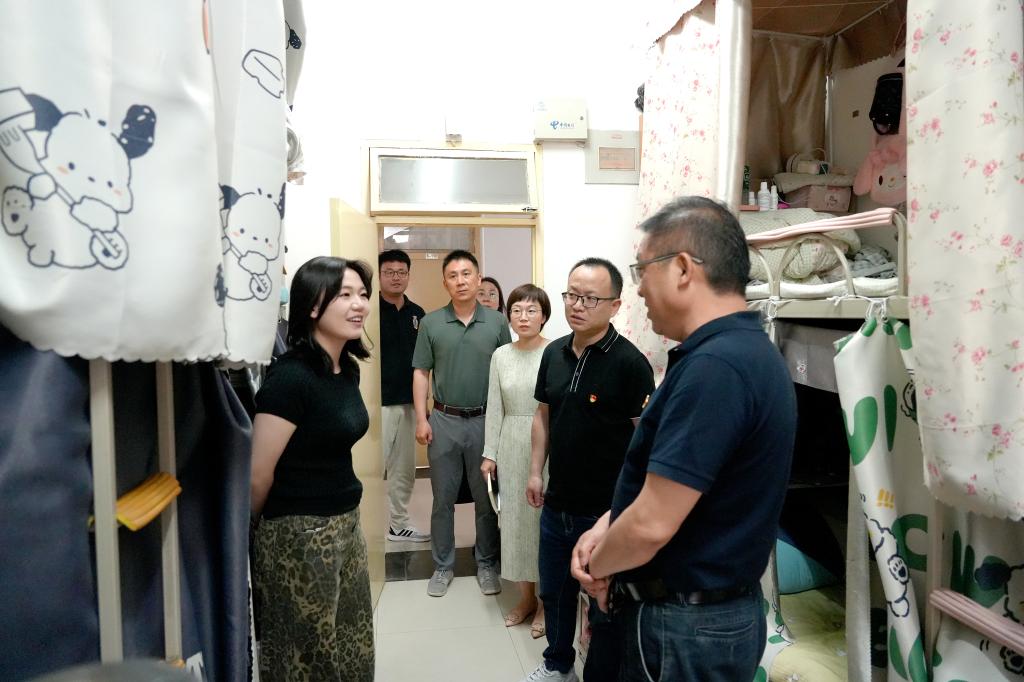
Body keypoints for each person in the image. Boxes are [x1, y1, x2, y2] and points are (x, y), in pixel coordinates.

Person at [571, 196, 797, 681]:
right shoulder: (735, 353)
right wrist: (607, 525)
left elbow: (652, 524)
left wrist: (599, 569)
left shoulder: (717, 368)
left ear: (681, 269)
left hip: (684, 627)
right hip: (693, 619)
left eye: (641, 270)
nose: (638, 289)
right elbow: (676, 484)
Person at [521, 258, 654, 682]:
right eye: (572, 295)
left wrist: (627, 507)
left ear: (615, 305)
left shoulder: (630, 363)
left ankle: (601, 672)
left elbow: (644, 441)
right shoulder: (553, 353)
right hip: (557, 501)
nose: (577, 305)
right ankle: (557, 663)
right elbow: (543, 415)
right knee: (554, 591)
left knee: (603, 602)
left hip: (604, 512)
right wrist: (535, 472)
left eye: (590, 298)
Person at [250, 256, 376, 682]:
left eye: (362, 294)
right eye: (345, 295)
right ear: (312, 307)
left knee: (353, 639)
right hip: (298, 533)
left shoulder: (346, 370)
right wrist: (259, 531)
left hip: (345, 522)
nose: (359, 304)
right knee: (307, 653)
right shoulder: (291, 378)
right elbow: (258, 474)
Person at [412, 249, 512, 597]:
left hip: (486, 421)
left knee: (486, 499)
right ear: (445, 283)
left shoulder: (497, 323)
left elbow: (507, 370)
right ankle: (443, 565)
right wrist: (422, 418)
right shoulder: (431, 323)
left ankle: (486, 563)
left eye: (466, 274)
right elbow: (421, 372)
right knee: (442, 499)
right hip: (444, 421)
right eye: (453, 275)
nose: (460, 281)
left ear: (478, 278)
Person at [479, 284, 551, 639]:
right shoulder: (500, 355)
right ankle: (525, 598)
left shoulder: (556, 352)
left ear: (544, 316)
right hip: (509, 443)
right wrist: (490, 452)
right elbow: (495, 406)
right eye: (517, 310)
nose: (524, 317)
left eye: (531, 310)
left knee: (542, 524)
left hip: (546, 446)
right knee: (515, 524)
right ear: (508, 316)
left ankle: (546, 603)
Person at [378, 249, 429, 542]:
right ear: (380, 275)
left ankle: (398, 525)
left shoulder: (417, 314)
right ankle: (364, 527)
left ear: (408, 275)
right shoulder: (369, 310)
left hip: (410, 403)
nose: (396, 278)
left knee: (404, 470)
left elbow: (424, 362)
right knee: (372, 469)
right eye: (389, 272)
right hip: (378, 405)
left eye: (401, 272)